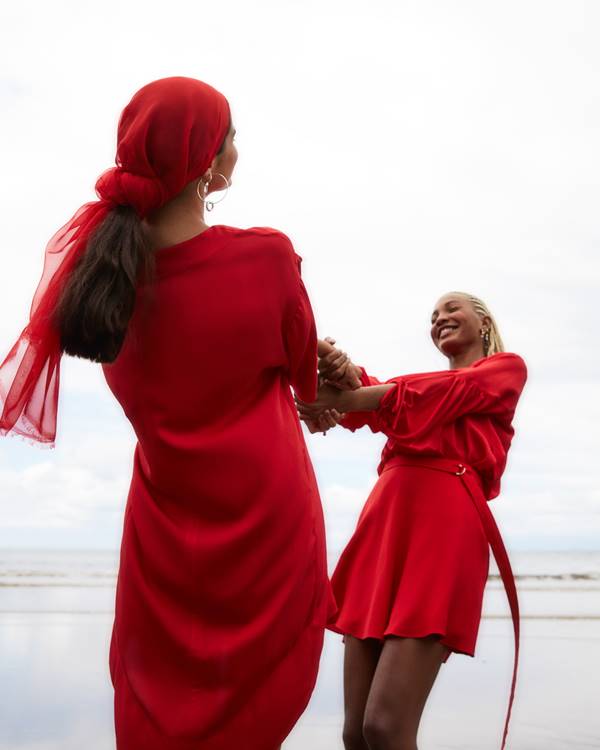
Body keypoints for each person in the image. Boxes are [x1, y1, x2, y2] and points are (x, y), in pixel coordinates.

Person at [0, 77, 339, 750]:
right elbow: (311, 393)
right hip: (267, 530)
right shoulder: (267, 258)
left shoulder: (100, 287)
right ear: (207, 163)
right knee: (256, 714)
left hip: (163, 535)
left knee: (160, 711)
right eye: (232, 136)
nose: (239, 149)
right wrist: (338, 378)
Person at [296, 292, 527, 750]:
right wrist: (332, 368)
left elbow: (422, 396)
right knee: (355, 735)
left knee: (385, 726)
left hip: (442, 532)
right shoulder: (411, 399)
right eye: (433, 316)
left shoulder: (505, 370)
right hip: (383, 533)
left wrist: (346, 396)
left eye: (451, 309)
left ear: (482, 321)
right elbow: (383, 401)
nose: (440, 319)